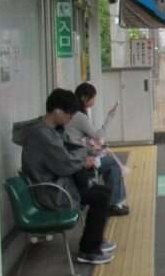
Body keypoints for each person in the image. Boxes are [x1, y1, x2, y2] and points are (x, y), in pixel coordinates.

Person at [12, 89, 115, 265]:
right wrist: (85, 160)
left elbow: (65, 153)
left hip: (54, 184)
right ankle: (88, 250)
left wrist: (85, 155)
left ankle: (94, 241)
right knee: (101, 196)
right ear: (58, 111)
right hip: (52, 192)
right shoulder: (43, 135)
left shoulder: (46, 130)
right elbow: (64, 164)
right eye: (69, 115)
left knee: (100, 192)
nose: (69, 119)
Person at [66, 82, 128, 216]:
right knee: (112, 163)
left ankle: (115, 203)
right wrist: (110, 117)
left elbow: (81, 140)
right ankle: (115, 203)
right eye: (93, 97)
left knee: (110, 165)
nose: (94, 100)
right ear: (84, 97)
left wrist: (94, 150)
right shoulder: (79, 117)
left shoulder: (75, 114)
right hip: (78, 163)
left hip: (75, 157)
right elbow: (98, 136)